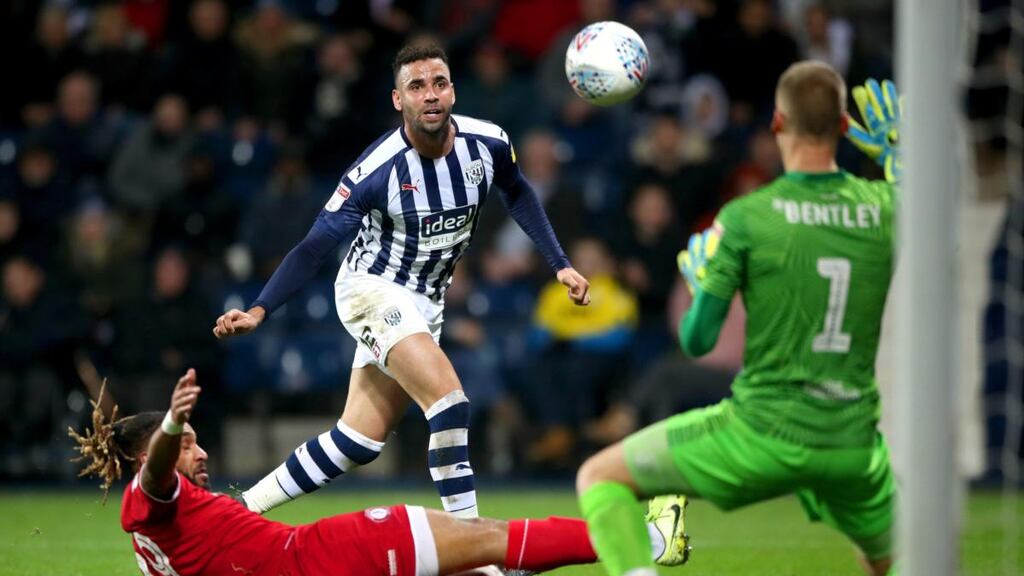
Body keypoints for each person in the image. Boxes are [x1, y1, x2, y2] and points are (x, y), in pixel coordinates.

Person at [212, 41, 590, 520]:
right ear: (399, 101)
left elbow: (517, 191)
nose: (430, 95)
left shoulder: (489, 143)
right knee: (449, 401)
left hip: (427, 302)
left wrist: (560, 263)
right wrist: (260, 309)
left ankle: (238, 511)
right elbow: (315, 245)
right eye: (416, 86)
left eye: (439, 83)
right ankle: (475, 553)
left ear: (453, 91)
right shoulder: (375, 171)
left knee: (358, 440)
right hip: (372, 289)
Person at [575, 61, 902, 576]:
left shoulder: (748, 217)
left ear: (776, 124)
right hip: (851, 440)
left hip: (760, 433)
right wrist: (903, 165)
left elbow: (697, 340)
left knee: (600, 476)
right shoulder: (887, 207)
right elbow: (935, 237)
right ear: (844, 127)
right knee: (894, 559)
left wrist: (706, 284)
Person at [68, 369, 690, 576]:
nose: (199, 454)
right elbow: (153, 478)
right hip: (340, 554)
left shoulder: (152, 543)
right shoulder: (148, 500)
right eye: (187, 447)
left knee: (484, 563)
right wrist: (171, 428)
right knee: (492, 539)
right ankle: (649, 540)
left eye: (196, 442)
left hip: (325, 560)